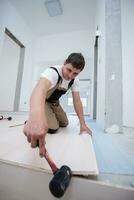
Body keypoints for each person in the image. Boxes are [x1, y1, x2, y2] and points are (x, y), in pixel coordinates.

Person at [23, 53, 92, 157]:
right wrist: (36, 118)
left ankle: (48, 116)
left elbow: (77, 101)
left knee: (65, 123)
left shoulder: (74, 81)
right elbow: (39, 90)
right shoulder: (52, 72)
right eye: (69, 70)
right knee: (53, 128)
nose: (70, 76)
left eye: (75, 73)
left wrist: (83, 124)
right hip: (44, 101)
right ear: (64, 63)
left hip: (55, 103)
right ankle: (29, 121)